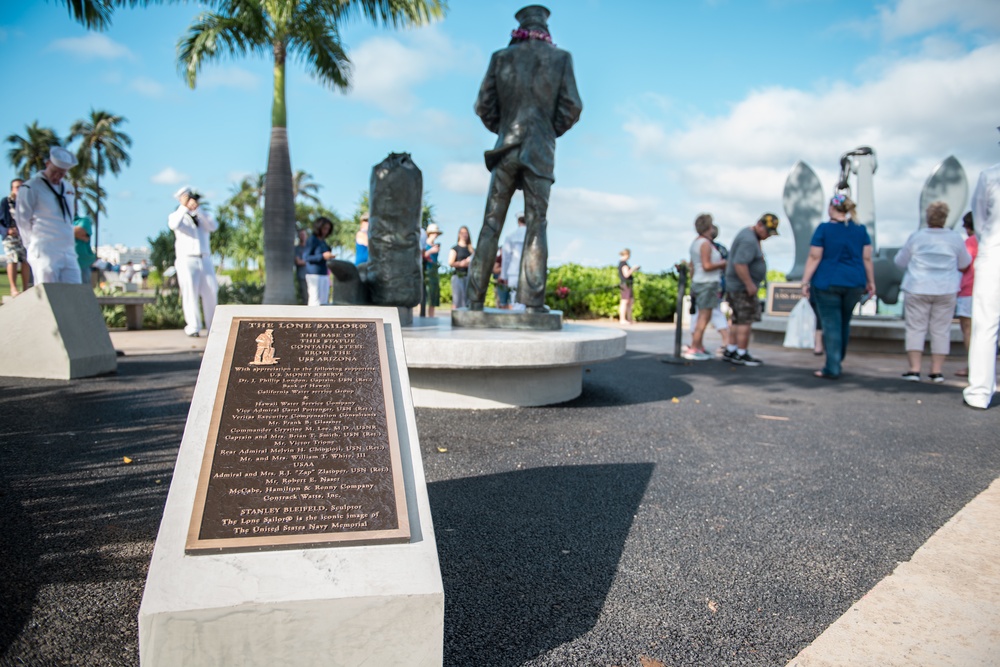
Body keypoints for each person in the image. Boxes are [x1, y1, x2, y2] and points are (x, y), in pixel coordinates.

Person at [465, 5, 583, 312]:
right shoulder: (561, 59)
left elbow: (483, 105)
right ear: (546, 29)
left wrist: (504, 129)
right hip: (540, 150)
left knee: (490, 224)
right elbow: (572, 107)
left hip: (506, 148)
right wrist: (545, 132)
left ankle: (473, 301)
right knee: (536, 224)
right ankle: (532, 303)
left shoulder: (501, 57)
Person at [800, 194, 876, 379]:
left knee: (831, 324)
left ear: (831, 208)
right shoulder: (860, 230)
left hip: (827, 281)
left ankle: (833, 366)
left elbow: (814, 256)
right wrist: (871, 282)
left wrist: (805, 281)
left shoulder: (824, 229)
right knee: (844, 322)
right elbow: (867, 258)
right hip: (854, 282)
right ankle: (836, 359)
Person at [895, 201, 971, 382]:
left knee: (915, 328)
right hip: (946, 288)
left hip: (918, 287)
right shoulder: (955, 238)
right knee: (941, 330)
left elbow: (900, 261)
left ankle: (914, 369)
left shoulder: (917, 237)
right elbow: (964, 263)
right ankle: (936, 371)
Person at [964, 153, 1000, 409]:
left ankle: (979, 391)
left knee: (985, 326)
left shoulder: (990, 175)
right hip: (991, 253)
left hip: (993, 253)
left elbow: (980, 220)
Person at [15, 147, 81, 284]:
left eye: (61, 174)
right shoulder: (31, 187)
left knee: (75, 292)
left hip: (67, 249)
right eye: (54, 172)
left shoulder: (68, 188)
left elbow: (69, 218)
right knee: (49, 294)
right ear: (47, 164)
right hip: (44, 247)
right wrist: (31, 244)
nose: (57, 176)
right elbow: (22, 220)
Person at [723, 213, 780, 365]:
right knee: (745, 321)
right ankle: (741, 353)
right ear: (759, 225)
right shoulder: (748, 240)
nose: (768, 236)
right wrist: (749, 284)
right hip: (742, 288)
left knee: (737, 319)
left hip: (736, 286)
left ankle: (732, 349)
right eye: (767, 232)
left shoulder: (749, 236)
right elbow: (740, 263)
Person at [168, 186, 218, 337]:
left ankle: (213, 327)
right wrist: (183, 207)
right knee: (190, 292)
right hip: (187, 259)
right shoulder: (177, 216)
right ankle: (193, 327)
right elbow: (173, 225)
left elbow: (213, 226)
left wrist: (199, 211)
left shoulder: (203, 215)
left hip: (205, 258)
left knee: (211, 291)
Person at [686, 214, 725, 358]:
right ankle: (695, 347)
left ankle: (699, 346)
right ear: (709, 227)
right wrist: (723, 263)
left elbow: (692, 266)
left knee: (700, 317)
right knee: (703, 318)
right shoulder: (705, 244)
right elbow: (707, 265)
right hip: (707, 283)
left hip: (699, 282)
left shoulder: (695, 243)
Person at [954, 212, 977, 377]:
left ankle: (973, 368)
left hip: (969, 290)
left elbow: (962, 265)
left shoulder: (970, 242)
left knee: (968, 330)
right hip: (991, 291)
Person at [1, 178, 31, 295]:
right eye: (17, 187)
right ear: (12, 189)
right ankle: (13, 288)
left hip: (24, 235)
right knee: (12, 259)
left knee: (25, 260)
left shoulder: (25, 203)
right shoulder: (6, 202)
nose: (20, 189)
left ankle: (25, 288)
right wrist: (7, 230)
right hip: (10, 237)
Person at [303, 217, 334, 306]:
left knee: (324, 302)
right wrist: (322, 256)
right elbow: (306, 257)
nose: (326, 231)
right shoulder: (312, 240)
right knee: (315, 301)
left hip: (324, 274)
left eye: (328, 229)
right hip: (314, 274)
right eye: (324, 228)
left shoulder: (323, 242)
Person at [501, 214, 527, 310]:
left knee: (514, 301)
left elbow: (506, 258)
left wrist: (504, 275)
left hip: (513, 273)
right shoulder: (533, 236)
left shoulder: (510, 236)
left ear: (518, 222)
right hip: (528, 274)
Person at [448, 225, 474, 309]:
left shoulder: (471, 249)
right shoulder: (455, 248)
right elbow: (451, 262)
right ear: (459, 234)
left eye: (466, 233)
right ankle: (455, 318)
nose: (464, 235)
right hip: (458, 276)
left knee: (467, 300)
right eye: (462, 233)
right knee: (457, 300)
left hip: (469, 276)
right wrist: (461, 263)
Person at [423, 223, 443, 317]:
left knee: (433, 296)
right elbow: (422, 255)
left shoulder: (435, 245)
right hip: (426, 271)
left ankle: (431, 316)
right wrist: (431, 251)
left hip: (434, 272)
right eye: (434, 232)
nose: (435, 234)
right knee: (424, 295)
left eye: (436, 233)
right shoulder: (424, 244)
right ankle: (421, 315)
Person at [73, 216, 98, 286]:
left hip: (82, 265)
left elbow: (80, 231)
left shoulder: (84, 221)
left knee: (83, 292)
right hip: (63, 262)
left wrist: (58, 229)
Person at [618, 248, 639, 325]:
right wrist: (633, 269)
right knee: (624, 301)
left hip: (628, 284)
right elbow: (626, 274)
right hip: (625, 284)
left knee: (630, 302)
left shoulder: (624, 263)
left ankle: (629, 319)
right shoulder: (623, 263)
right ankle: (622, 319)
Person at [294, 228, 309, 305]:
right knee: (305, 297)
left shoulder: (309, 247)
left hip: (311, 275)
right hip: (302, 276)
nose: (302, 236)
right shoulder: (297, 249)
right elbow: (298, 261)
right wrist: (310, 260)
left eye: (304, 234)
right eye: (301, 235)